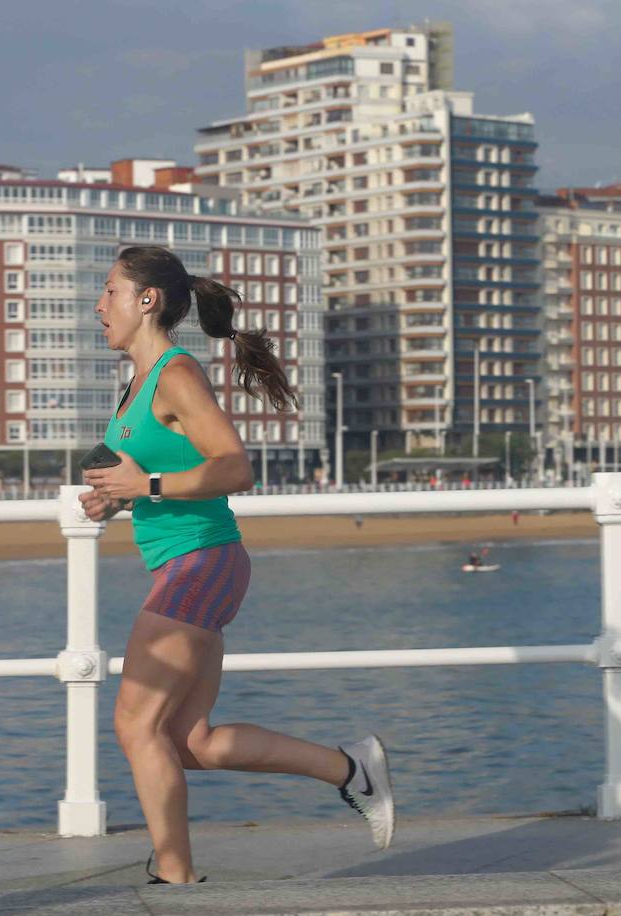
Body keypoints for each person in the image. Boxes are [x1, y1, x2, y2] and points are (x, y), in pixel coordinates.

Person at [81, 246, 393, 885]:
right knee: (191, 742)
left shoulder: (175, 373)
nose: (99, 306)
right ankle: (351, 767)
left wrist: (149, 487)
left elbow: (234, 466)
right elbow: (149, 478)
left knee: (134, 725)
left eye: (110, 292)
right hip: (190, 565)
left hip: (202, 563)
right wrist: (113, 498)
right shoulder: (135, 387)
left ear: (147, 301)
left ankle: (176, 879)